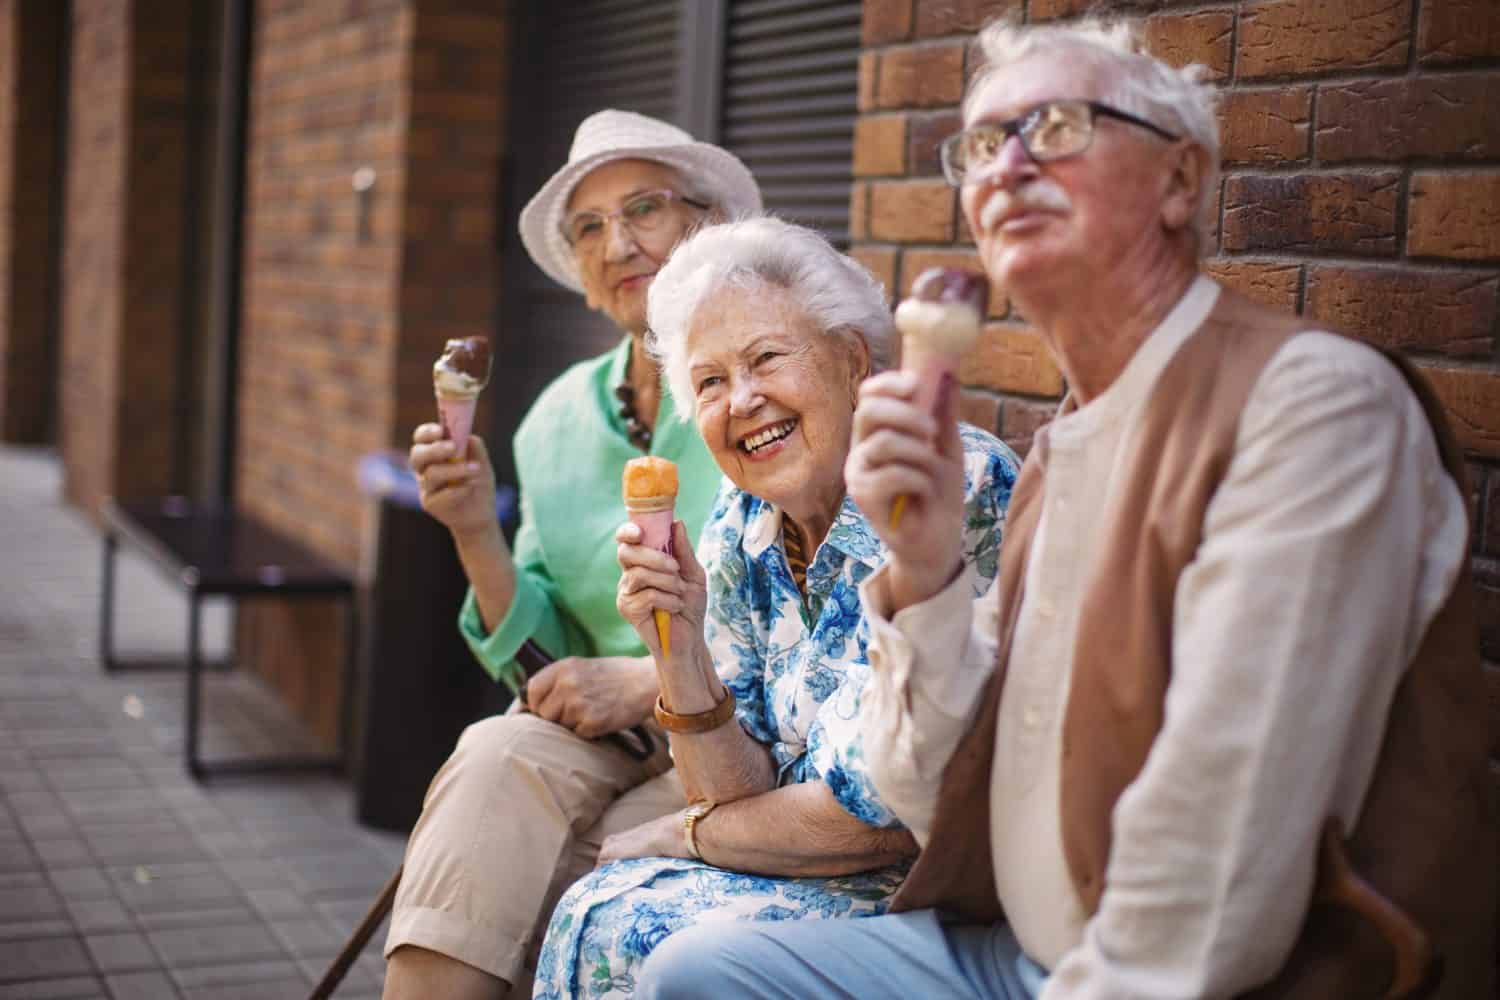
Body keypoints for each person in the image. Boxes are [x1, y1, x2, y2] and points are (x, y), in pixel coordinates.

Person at [635, 18, 1495, 1000]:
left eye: (1052, 130)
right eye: (978, 146)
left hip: (1203, 979)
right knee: (698, 971)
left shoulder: (1309, 408)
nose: (1003, 167)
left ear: (1180, 178)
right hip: (1005, 946)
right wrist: (922, 574)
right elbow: (927, 792)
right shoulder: (1063, 450)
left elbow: (1213, 887)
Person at [531, 217, 1020, 998]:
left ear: (853, 360)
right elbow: (731, 787)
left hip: (936, 892)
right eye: (712, 382)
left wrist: (688, 837)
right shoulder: (742, 519)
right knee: (597, 909)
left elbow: (876, 820)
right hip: (812, 869)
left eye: (764, 359)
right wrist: (677, 644)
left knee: (640, 925)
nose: (744, 401)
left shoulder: (946, 490)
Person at [382, 110, 763, 1000]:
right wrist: (475, 528)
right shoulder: (555, 415)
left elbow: (811, 600)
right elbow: (541, 667)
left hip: (739, 733)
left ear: (708, 227)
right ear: (581, 275)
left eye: (645, 209)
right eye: (589, 227)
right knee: (488, 758)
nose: (617, 241)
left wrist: (648, 680)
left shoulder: (758, 384)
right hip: (611, 736)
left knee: (558, 873)